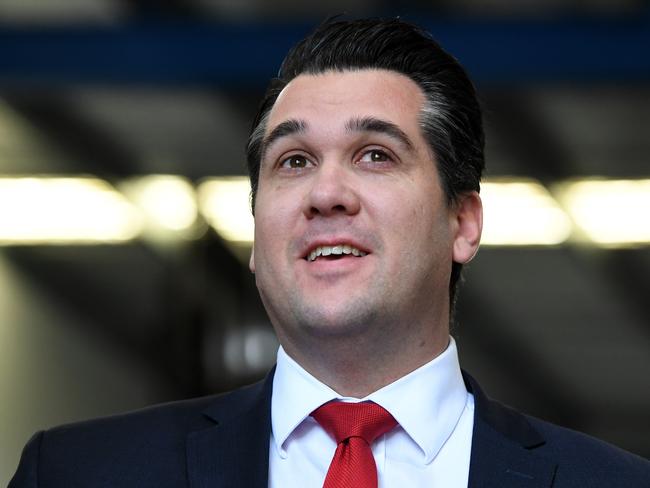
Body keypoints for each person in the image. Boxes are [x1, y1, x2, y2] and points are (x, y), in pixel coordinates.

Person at [9, 17, 649, 488]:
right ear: (258, 232)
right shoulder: (76, 474)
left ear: (464, 222)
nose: (326, 193)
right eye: (293, 161)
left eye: (375, 154)